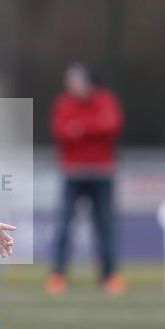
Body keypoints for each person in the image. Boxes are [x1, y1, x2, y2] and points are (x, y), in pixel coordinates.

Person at [46, 63, 125, 295]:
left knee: (105, 226)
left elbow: (111, 126)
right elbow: (61, 132)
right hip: (72, 174)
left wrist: (80, 128)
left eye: (77, 81)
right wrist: (89, 128)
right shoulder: (63, 103)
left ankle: (109, 276)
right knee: (64, 226)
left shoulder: (106, 101)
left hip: (102, 173)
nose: (73, 86)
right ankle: (58, 275)